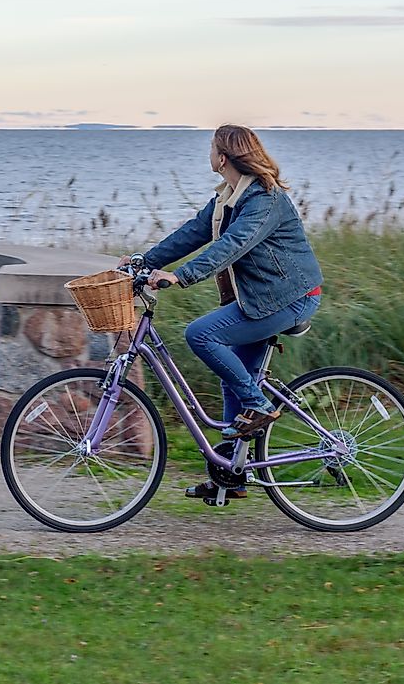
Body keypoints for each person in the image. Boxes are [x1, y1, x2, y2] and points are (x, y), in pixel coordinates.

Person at [125, 124, 323, 500]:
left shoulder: (264, 199)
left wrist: (180, 276)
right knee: (232, 374)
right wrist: (143, 262)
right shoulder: (228, 197)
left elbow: (233, 245)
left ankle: (259, 405)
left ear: (223, 157)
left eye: (211, 148)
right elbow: (193, 232)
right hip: (260, 298)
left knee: (200, 334)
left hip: (289, 298)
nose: (209, 154)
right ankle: (231, 476)